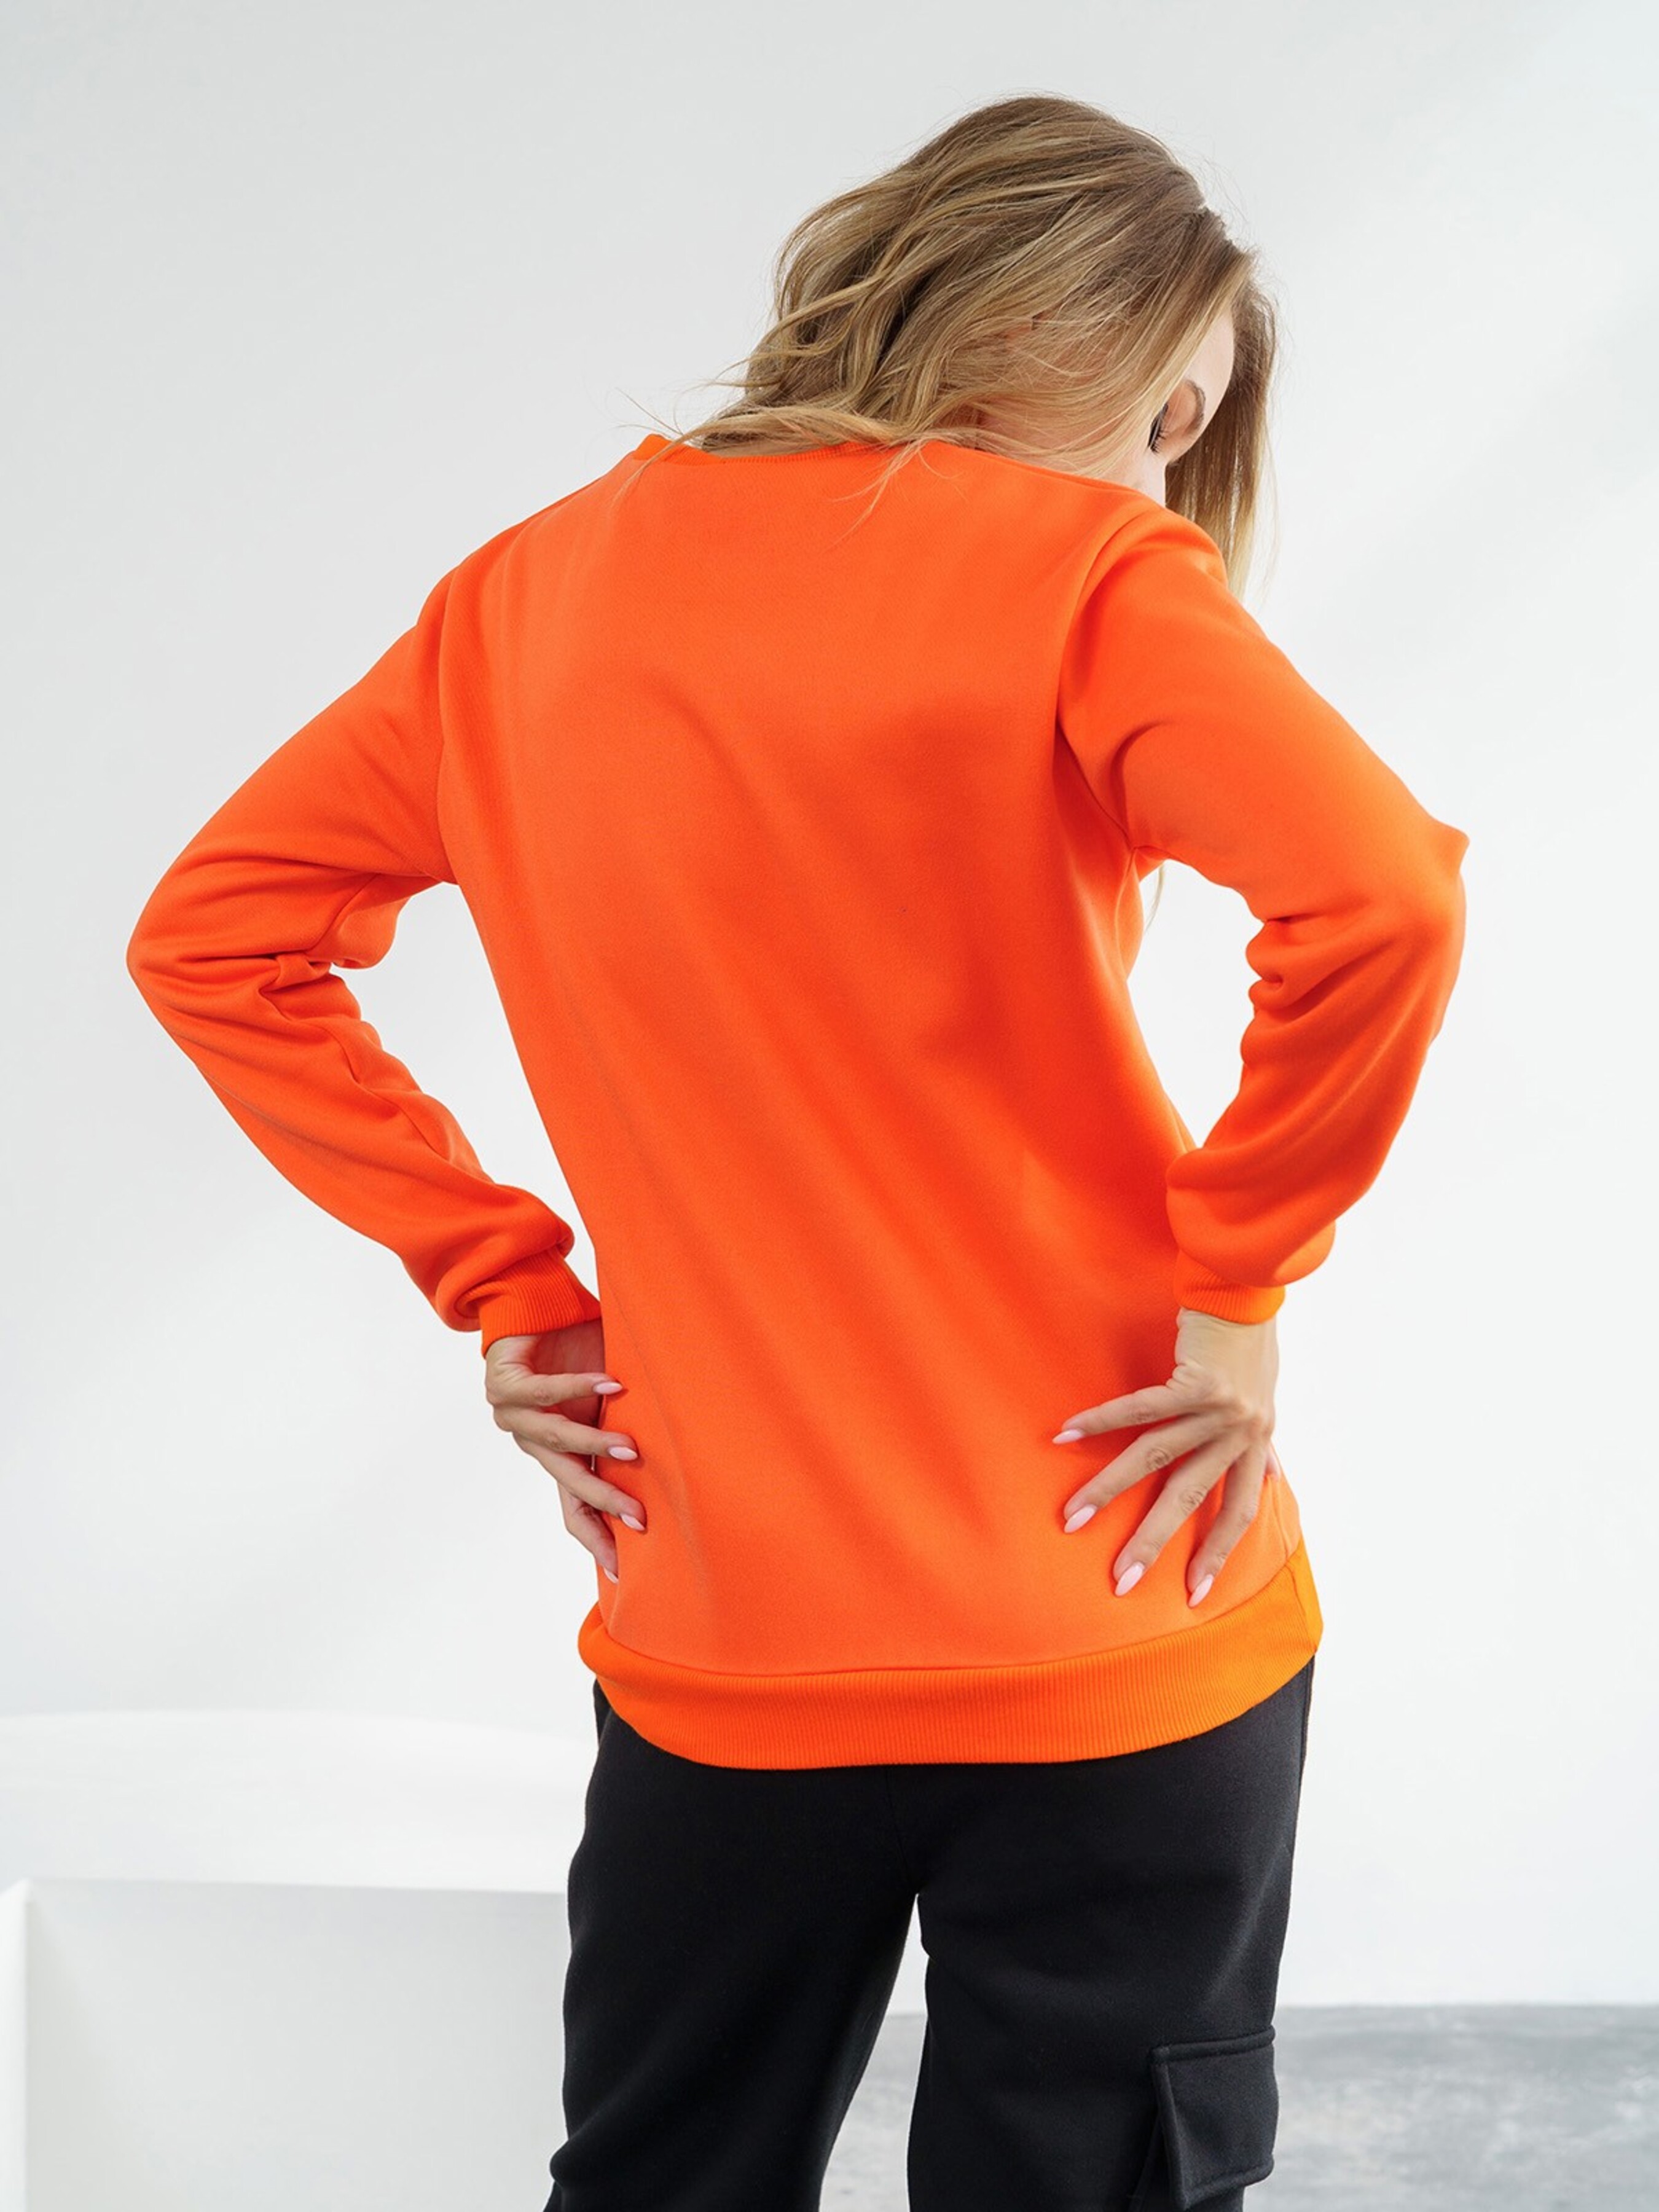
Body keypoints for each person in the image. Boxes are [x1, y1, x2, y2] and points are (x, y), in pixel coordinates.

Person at [125, 90, 1469, 2212]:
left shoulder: (520, 599)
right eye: (1174, 417)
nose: (1164, 475)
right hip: (1119, 1594)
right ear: (1087, 353)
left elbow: (212, 939)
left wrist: (505, 1286)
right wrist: (1237, 1285)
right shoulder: (1088, 574)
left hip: (726, 1627)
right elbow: (1379, 898)